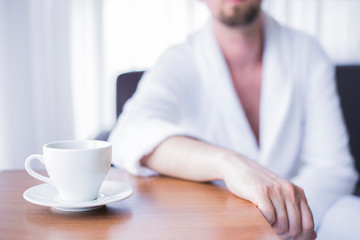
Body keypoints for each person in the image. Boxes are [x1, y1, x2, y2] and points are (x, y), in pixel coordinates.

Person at [109, 0, 359, 239]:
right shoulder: (180, 59)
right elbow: (127, 135)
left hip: (307, 214)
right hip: (217, 222)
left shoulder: (306, 52)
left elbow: (332, 166)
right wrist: (228, 164)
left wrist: (283, 216)